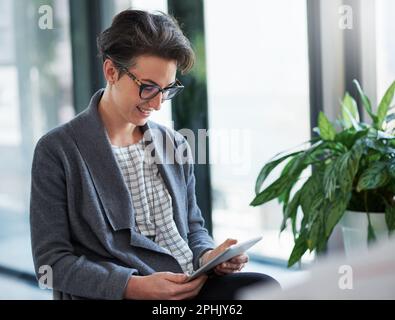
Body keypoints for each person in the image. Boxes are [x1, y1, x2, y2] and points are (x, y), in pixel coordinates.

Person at [30, 9, 279, 300]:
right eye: (148, 88)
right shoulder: (57, 150)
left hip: (188, 285)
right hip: (126, 294)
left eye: (167, 89)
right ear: (111, 71)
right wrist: (132, 286)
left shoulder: (174, 143)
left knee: (263, 287)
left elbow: (193, 229)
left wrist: (210, 256)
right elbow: (51, 263)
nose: (158, 103)